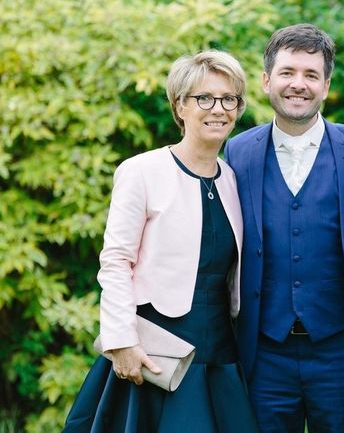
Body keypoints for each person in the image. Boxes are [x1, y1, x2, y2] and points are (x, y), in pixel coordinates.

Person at [63, 50, 259, 432]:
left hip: (219, 351)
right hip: (154, 351)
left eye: (229, 99)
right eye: (204, 98)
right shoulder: (142, 171)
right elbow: (116, 260)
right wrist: (120, 341)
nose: (218, 109)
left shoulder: (234, 180)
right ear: (180, 106)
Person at [224, 23, 344, 432]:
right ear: (265, 81)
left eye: (311, 75)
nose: (299, 84)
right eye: (288, 72)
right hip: (264, 351)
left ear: (326, 86)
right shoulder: (238, 151)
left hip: (342, 352)